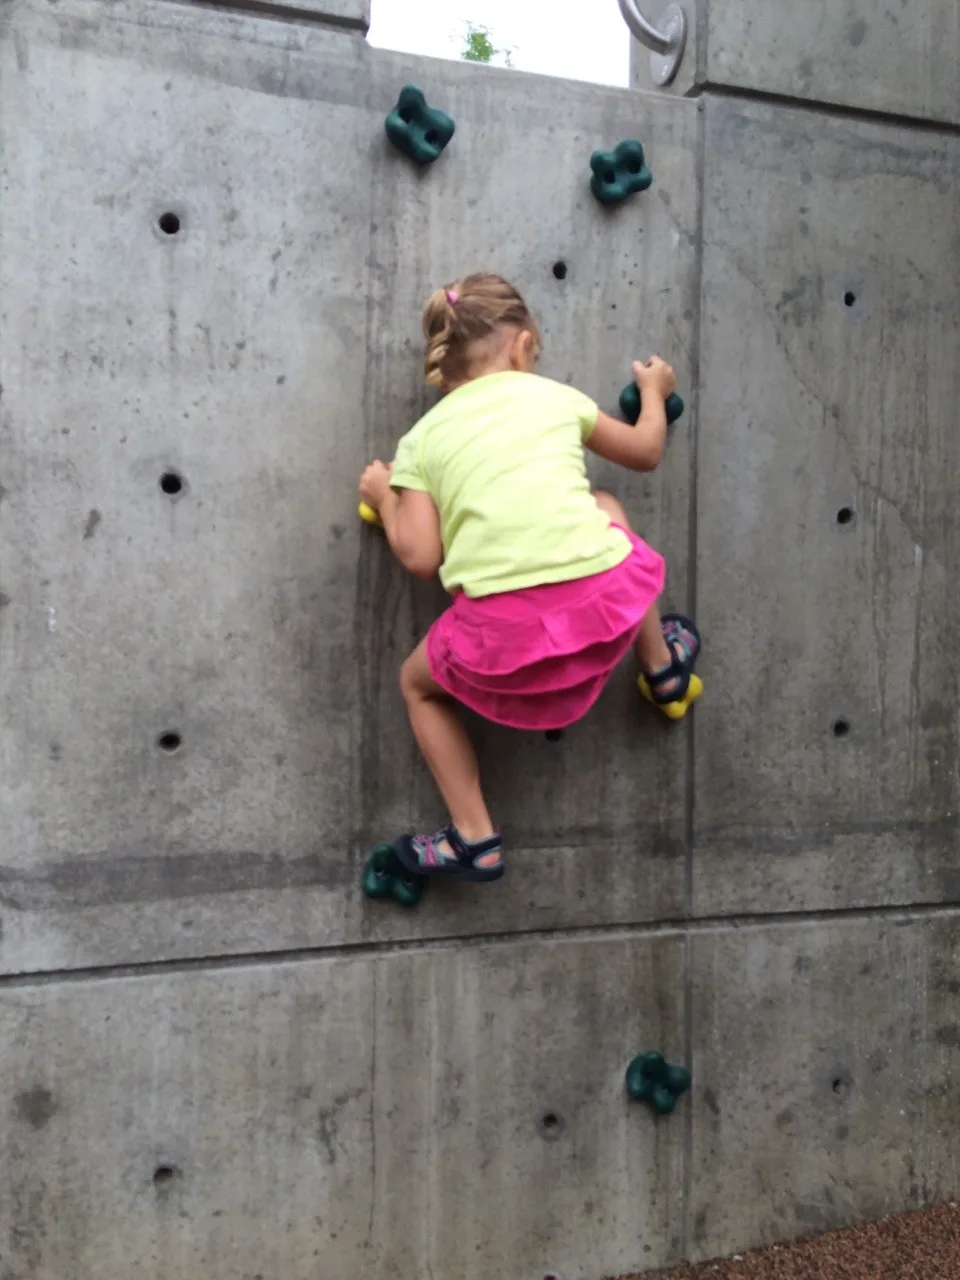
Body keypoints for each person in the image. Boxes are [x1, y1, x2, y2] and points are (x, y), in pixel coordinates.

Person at [358, 272, 699, 884]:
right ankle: (664, 670)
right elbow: (646, 451)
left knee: (417, 686)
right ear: (521, 347)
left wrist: (385, 497)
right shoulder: (553, 396)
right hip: (600, 613)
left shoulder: (422, 440)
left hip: (500, 646)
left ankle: (473, 837)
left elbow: (419, 556)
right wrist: (654, 389)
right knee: (606, 510)